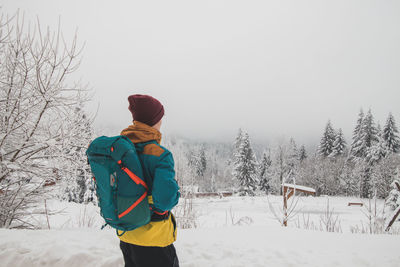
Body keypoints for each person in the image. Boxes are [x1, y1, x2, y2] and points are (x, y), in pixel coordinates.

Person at [118, 94, 180, 267]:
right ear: (153, 121)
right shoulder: (160, 155)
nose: (161, 123)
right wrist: (176, 192)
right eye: (160, 119)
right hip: (153, 238)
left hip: (127, 234)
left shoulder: (121, 149)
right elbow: (166, 200)